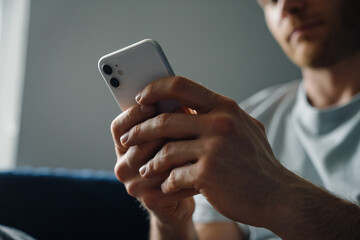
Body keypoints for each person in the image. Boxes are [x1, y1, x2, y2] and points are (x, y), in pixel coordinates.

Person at [110, 0, 360, 239]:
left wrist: (276, 193)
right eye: (271, 0)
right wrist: (171, 219)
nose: (287, 6)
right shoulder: (243, 125)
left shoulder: (237, 133)